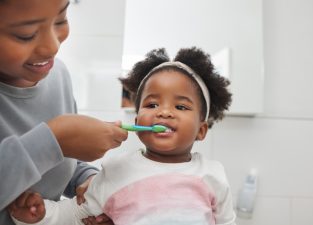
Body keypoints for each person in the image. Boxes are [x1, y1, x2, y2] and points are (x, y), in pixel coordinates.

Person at [10, 47, 236, 225]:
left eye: (181, 107)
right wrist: (38, 215)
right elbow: (75, 216)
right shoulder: (116, 172)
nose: (164, 111)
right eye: (152, 103)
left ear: (201, 130)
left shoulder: (212, 176)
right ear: (137, 122)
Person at [0, 0, 128, 224]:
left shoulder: (58, 74)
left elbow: (61, 163)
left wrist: (87, 180)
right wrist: (54, 139)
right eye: (26, 34)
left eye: (61, 20)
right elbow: (52, 146)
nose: (52, 47)